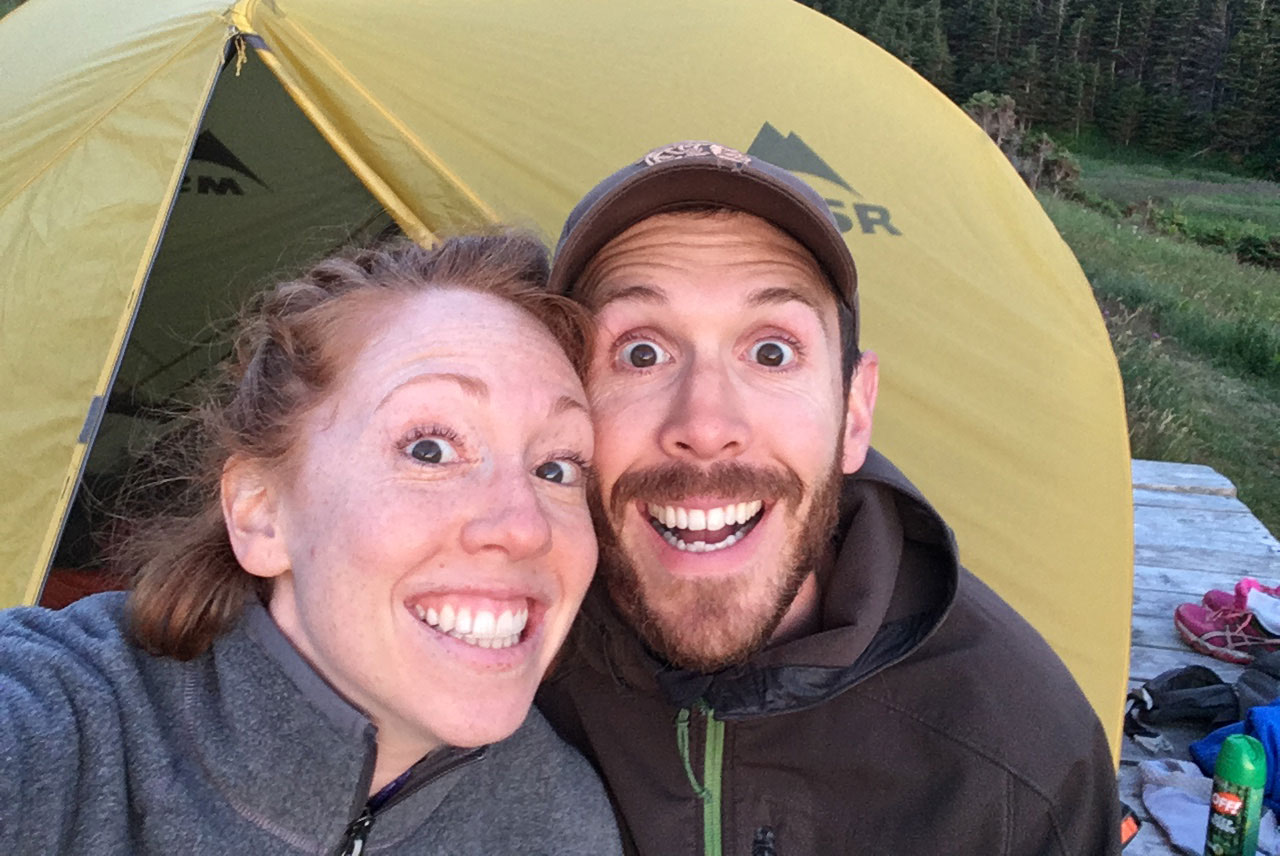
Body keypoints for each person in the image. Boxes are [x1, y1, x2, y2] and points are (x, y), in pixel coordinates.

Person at [537, 141, 1123, 855]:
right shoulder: (503, 664)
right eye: (640, 353)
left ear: (854, 413)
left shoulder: (1021, 757)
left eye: (772, 352)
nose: (705, 426)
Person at [0, 233, 623, 856]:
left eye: (558, 467)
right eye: (429, 449)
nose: (524, 527)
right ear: (260, 513)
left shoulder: (559, 820)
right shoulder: (59, 732)